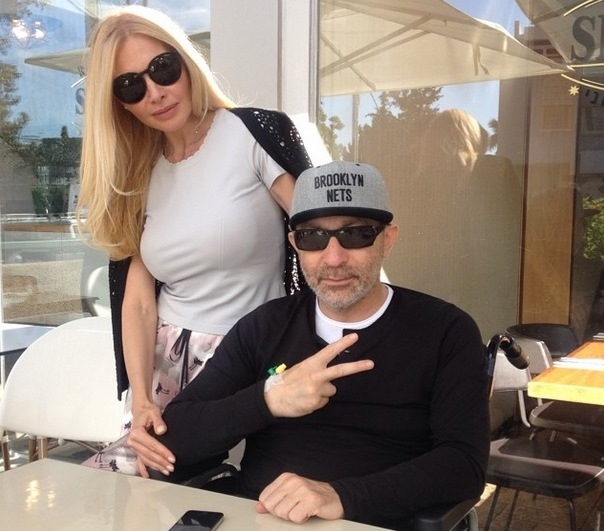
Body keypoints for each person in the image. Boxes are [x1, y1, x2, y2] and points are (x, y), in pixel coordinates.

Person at [130, 160, 490, 530]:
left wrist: (341, 496)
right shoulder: (265, 326)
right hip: (257, 519)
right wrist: (269, 399)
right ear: (294, 244)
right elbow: (176, 439)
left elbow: (464, 465)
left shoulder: (445, 331)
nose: (333, 258)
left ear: (388, 239)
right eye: (312, 237)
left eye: (356, 234)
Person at [75, 5, 312, 476]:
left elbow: (319, 237)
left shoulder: (251, 133)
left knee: (265, 490)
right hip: (168, 364)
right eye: (131, 86)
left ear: (186, 61)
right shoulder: (139, 171)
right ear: (119, 103)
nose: (155, 92)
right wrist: (140, 399)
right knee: (131, 484)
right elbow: (138, 303)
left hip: (255, 360)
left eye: (162, 68)